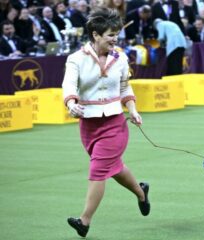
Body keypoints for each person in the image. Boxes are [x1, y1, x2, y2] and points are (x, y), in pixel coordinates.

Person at [62, 7, 150, 238]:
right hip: (88, 126)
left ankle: (84, 220)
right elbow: (69, 86)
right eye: (110, 35)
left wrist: (133, 109)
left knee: (98, 170)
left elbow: (124, 87)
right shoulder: (75, 59)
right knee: (114, 168)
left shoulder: (120, 58)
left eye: (116, 34)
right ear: (96, 35)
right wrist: (71, 104)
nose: (115, 39)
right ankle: (141, 192)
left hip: (115, 124)